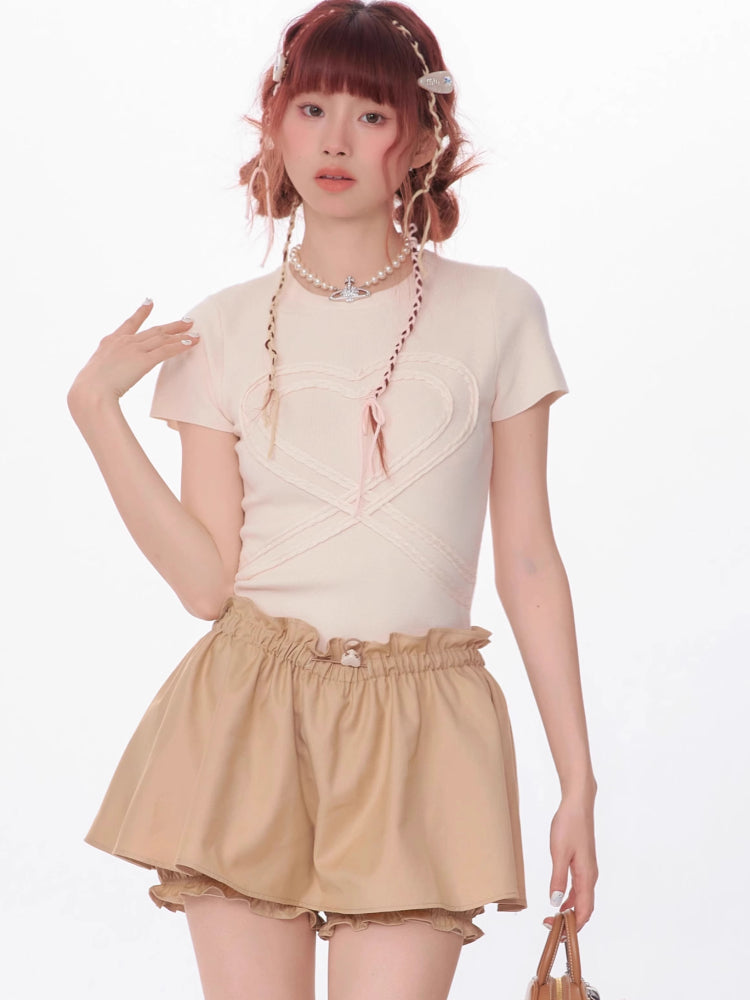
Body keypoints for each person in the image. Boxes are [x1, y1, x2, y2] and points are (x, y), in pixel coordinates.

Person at [67, 1, 598, 997]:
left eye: (370, 113)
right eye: (312, 109)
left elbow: (528, 559)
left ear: (422, 141)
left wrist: (579, 781)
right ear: (275, 125)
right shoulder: (221, 331)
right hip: (249, 712)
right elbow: (206, 584)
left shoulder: (497, 311)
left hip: (424, 722)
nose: (335, 140)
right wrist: (96, 410)